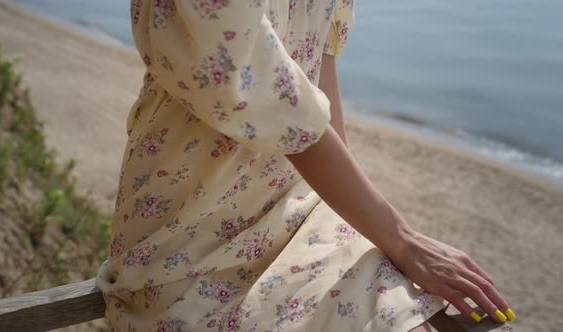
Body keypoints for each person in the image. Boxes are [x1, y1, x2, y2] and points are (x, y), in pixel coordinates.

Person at [95, 1, 516, 331]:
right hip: (189, 232)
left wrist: (352, 221)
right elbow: (255, 82)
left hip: (306, 205)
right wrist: (401, 239)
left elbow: (317, 61)